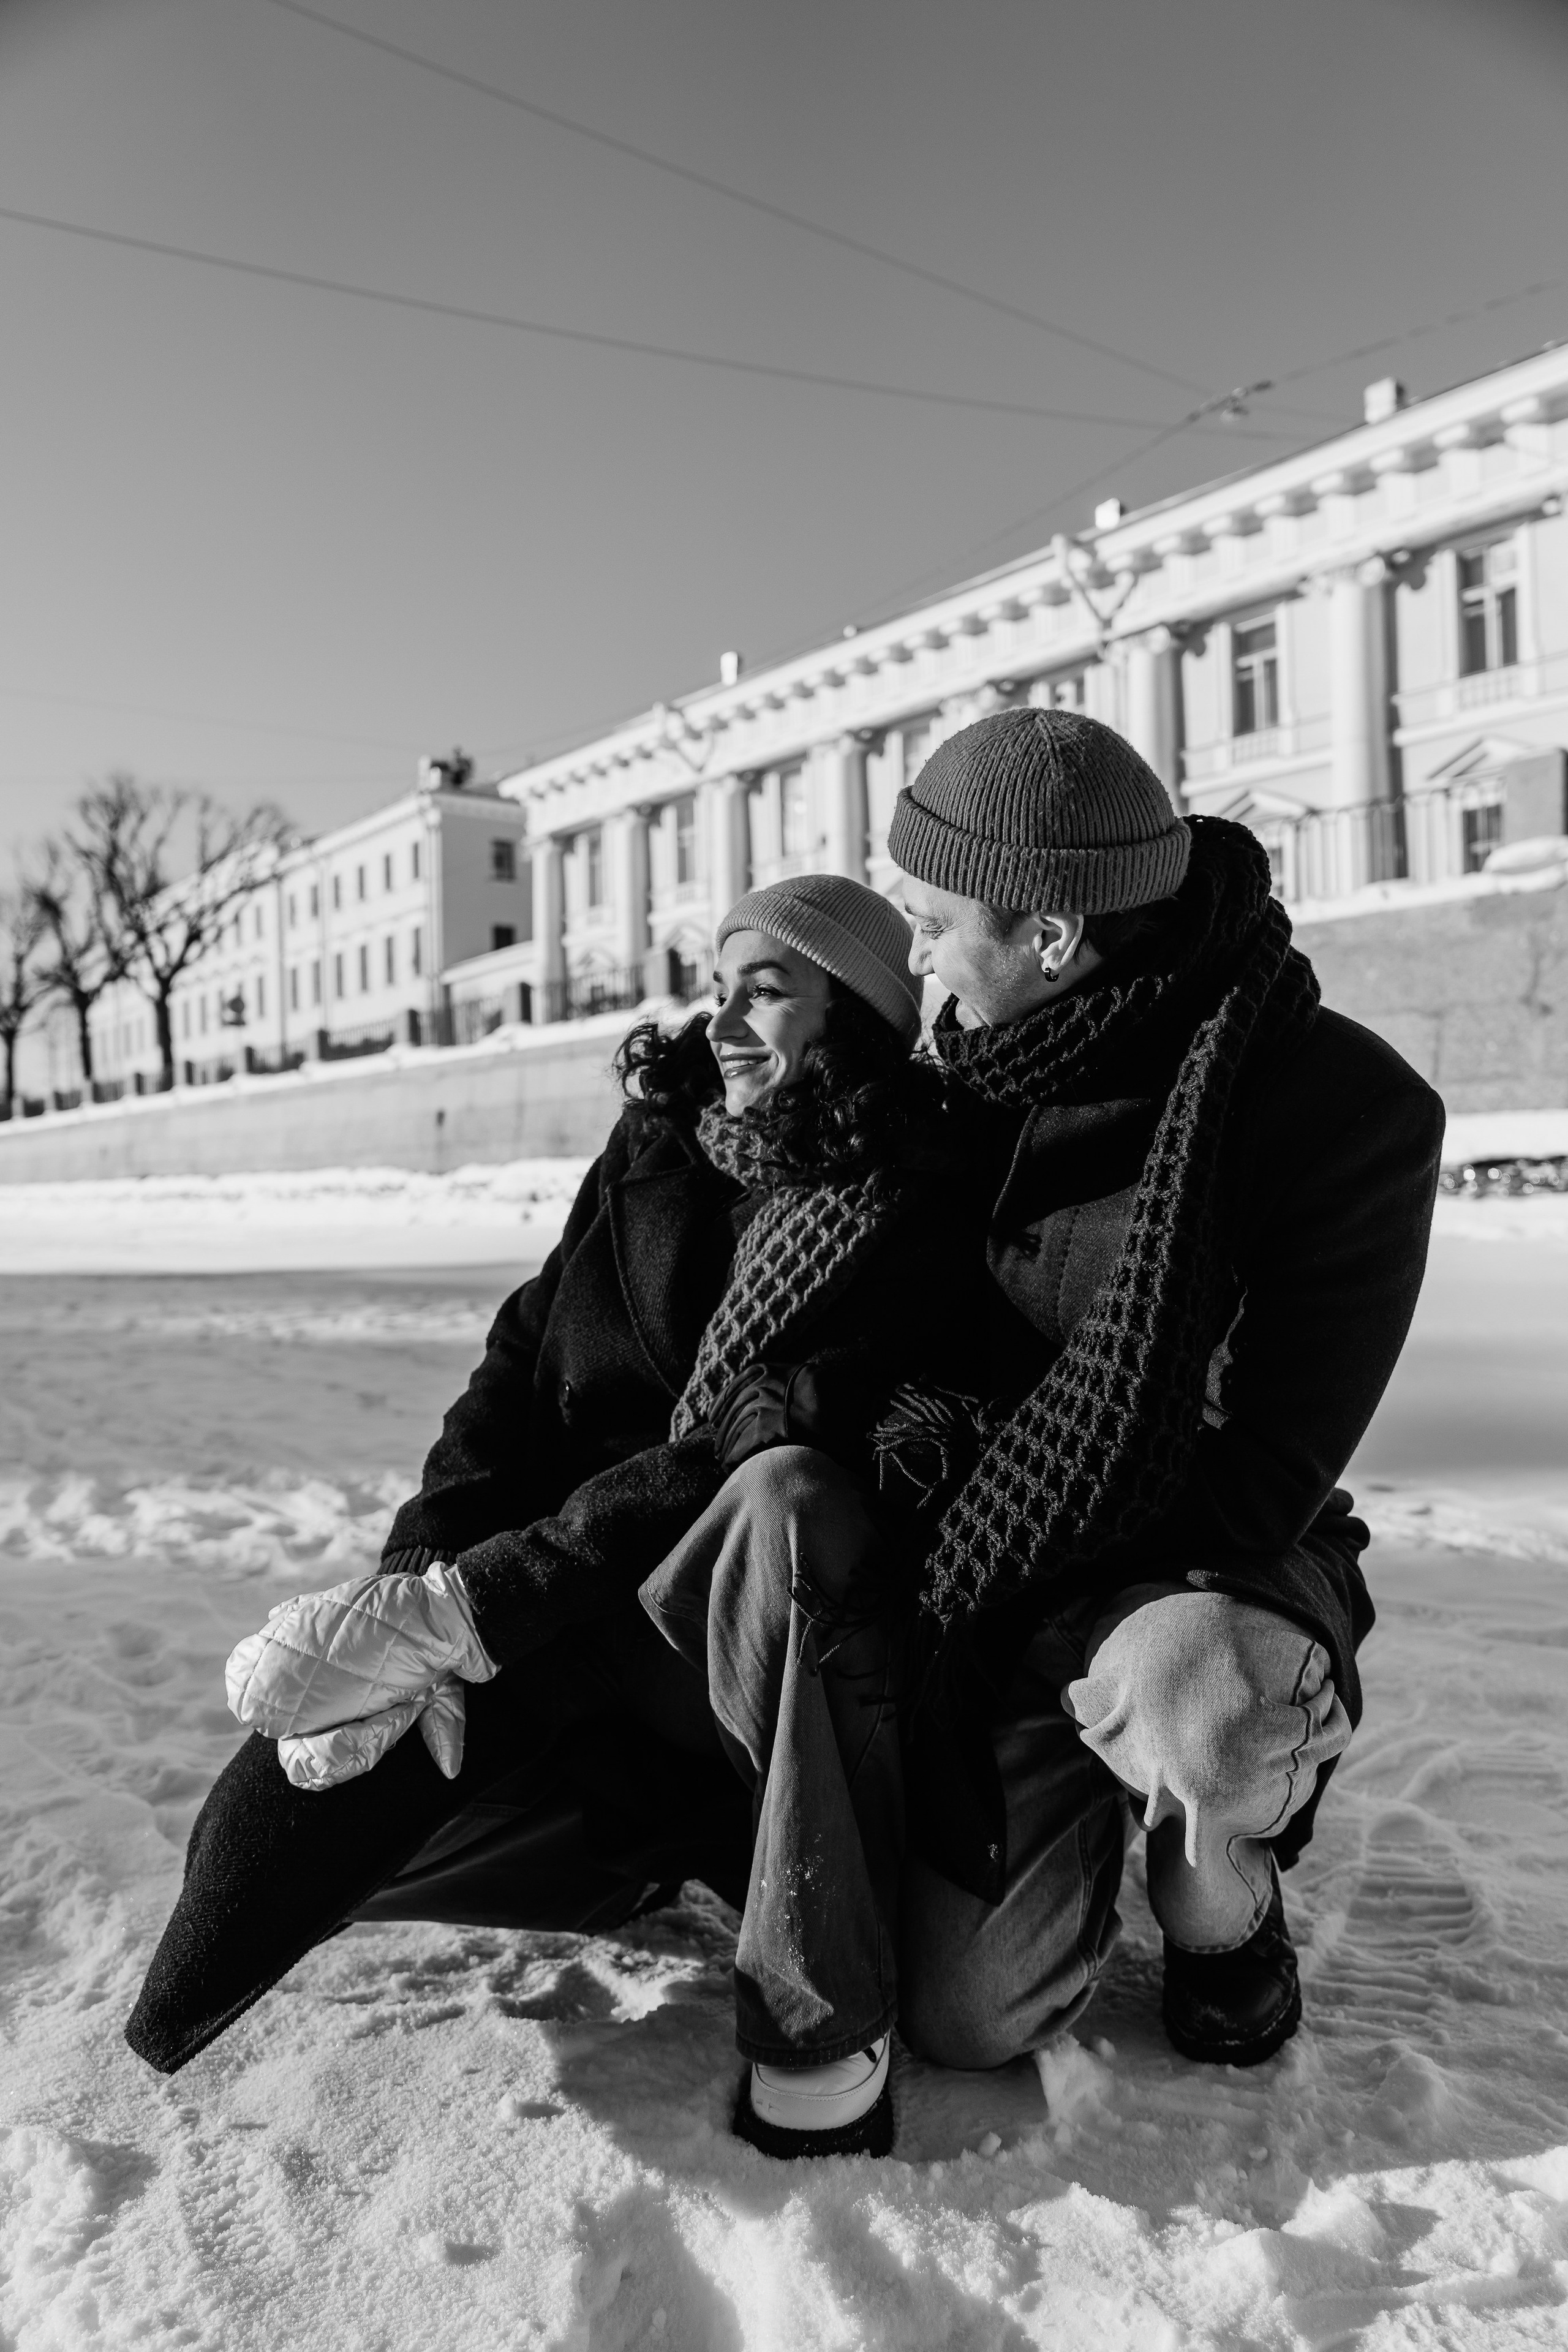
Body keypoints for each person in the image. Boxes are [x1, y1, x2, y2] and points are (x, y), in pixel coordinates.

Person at [638, 706, 1444, 2142]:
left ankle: (1217, 1896)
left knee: (1203, 1697)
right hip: (990, 1555)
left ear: (1055, 932)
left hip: (1190, 1568)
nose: (922, 955)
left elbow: (1252, 1477)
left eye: (937, 920)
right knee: (968, 2019)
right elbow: (863, 1340)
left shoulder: (1338, 1111)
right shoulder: (968, 1085)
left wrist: (971, 1543)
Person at [125, 873, 984, 2162]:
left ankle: (805, 1999)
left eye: (768, 989)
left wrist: (483, 1604)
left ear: (859, 1008)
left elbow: (750, 1442)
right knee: (296, 1807)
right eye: (716, 986)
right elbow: (516, 1368)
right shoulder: (656, 1146)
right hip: (549, 1607)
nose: (728, 1023)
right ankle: (611, 1853)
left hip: (722, 1618)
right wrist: (419, 1575)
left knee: (775, 1505)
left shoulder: (914, 1200)